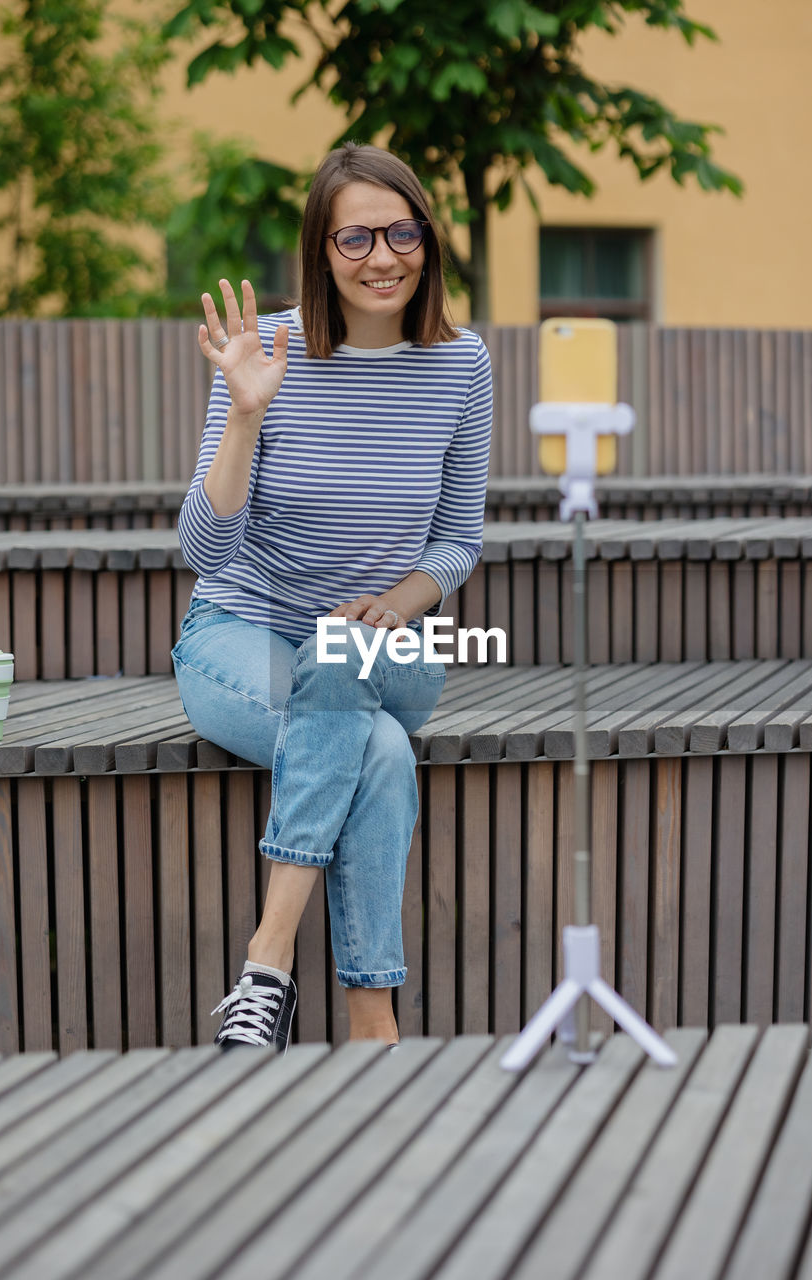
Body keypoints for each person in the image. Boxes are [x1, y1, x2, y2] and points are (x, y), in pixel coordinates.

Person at [172, 141, 493, 1052]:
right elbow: (204, 547)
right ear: (321, 248)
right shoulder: (263, 355)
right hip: (241, 632)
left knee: (346, 660)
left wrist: (399, 600)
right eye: (356, 239)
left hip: (379, 644)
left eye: (402, 232)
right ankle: (372, 1018)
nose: (382, 257)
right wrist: (242, 413)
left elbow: (457, 541)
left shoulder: (460, 364)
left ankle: (265, 967)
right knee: (380, 754)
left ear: (426, 241)